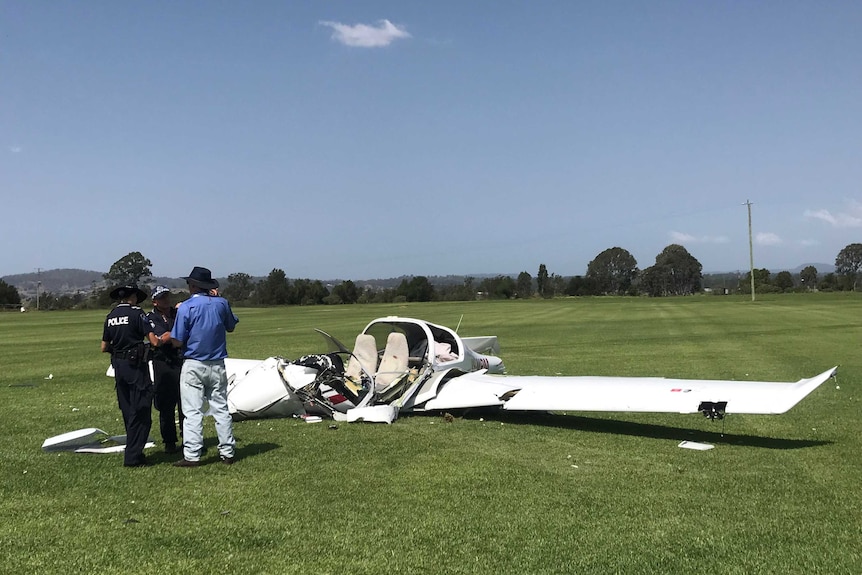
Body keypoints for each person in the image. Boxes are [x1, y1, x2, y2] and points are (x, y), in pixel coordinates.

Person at [170, 266, 239, 467]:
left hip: (194, 363)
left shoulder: (186, 307)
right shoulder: (222, 304)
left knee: (192, 412)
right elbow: (231, 326)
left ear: (193, 285)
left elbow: (177, 340)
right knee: (221, 409)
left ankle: (192, 454)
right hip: (217, 363)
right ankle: (228, 452)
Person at [101, 284, 158, 467]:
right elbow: (153, 340)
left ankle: (135, 451)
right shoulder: (137, 313)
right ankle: (132, 456)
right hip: (136, 366)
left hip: (119, 366)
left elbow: (104, 347)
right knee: (141, 409)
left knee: (127, 409)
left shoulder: (110, 317)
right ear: (132, 297)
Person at [147, 285, 183, 454]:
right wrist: (179, 329)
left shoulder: (176, 314)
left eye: (167, 296)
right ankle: (169, 441)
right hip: (163, 363)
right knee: (166, 405)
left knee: (186, 403)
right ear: (154, 301)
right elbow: (160, 339)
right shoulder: (151, 318)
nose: (166, 300)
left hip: (180, 359)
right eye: (162, 297)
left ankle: (189, 438)